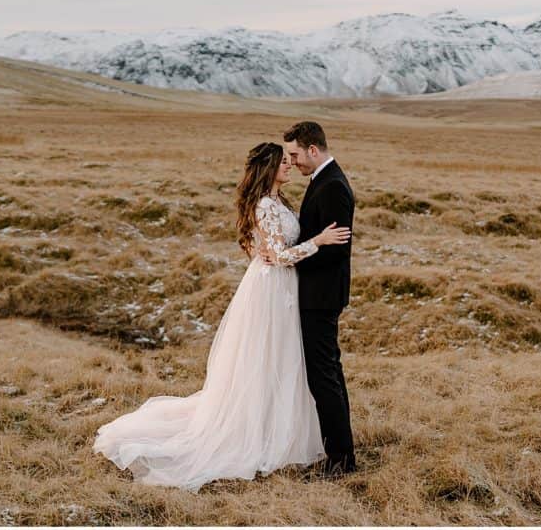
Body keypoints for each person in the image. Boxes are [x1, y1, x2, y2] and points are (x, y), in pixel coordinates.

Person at [92, 142, 351, 492]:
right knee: (265, 358)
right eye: (283, 162)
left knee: (283, 358)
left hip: (284, 289)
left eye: (291, 160)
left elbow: (271, 249)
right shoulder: (264, 205)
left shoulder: (278, 201)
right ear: (269, 168)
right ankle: (257, 432)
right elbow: (277, 255)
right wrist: (318, 241)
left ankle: (278, 426)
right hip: (272, 288)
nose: (289, 165)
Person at [279, 121, 358, 477]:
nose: (292, 162)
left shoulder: (333, 187)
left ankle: (341, 460)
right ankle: (340, 451)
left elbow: (335, 252)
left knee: (323, 375)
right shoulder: (322, 181)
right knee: (328, 372)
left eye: (295, 154)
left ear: (313, 150)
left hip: (321, 295)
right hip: (317, 292)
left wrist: (295, 254)